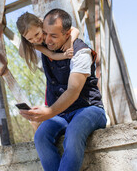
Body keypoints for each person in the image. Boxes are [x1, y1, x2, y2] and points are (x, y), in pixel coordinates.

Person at [19, 9, 107, 171]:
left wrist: (49, 111)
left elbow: (73, 91)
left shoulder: (81, 52)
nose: (47, 39)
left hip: (89, 109)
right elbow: (23, 48)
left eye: (54, 35)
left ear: (67, 34)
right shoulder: (43, 48)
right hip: (61, 115)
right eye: (45, 33)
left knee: (73, 134)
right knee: (41, 137)